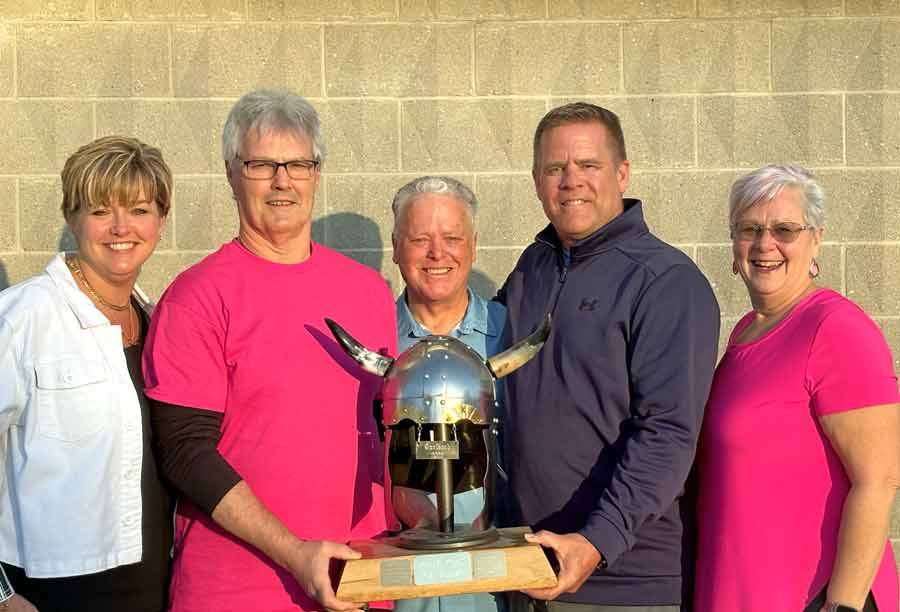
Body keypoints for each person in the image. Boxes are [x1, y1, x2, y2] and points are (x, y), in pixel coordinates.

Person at [142, 89, 396, 612]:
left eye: (298, 164)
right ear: (232, 174)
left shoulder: (368, 293)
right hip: (239, 589)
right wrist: (295, 553)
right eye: (262, 164)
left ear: (316, 174)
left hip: (359, 580)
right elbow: (187, 454)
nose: (283, 180)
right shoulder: (197, 296)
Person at [496, 102, 720, 611]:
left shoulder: (666, 283)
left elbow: (667, 433)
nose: (571, 180)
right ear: (536, 182)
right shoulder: (532, 268)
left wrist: (596, 542)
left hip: (620, 583)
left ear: (622, 173)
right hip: (525, 567)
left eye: (588, 165)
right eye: (555, 168)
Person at [695, 164, 900, 612]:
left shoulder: (836, 328)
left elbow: (880, 478)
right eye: (750, 229)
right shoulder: (745, 333)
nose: (766, 244)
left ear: (815, 240)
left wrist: (842, 604)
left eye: (785, 229)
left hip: (813, 598)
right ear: (734, 245)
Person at [0, 135, 173, 612]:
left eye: (138, 209)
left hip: (154, 590)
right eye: (100, 211)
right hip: (47, 596)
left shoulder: (159, 325)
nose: (121, 227)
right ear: (72, 217)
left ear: (161, 219)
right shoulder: (24, 318)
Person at [390, 175, 506, 612]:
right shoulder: (372, 339)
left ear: (473, 245)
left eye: (452, 238)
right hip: (398, 589)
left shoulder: (509, 336)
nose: (437, 253)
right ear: (397, 247)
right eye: (420, 239)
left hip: (491, 589)